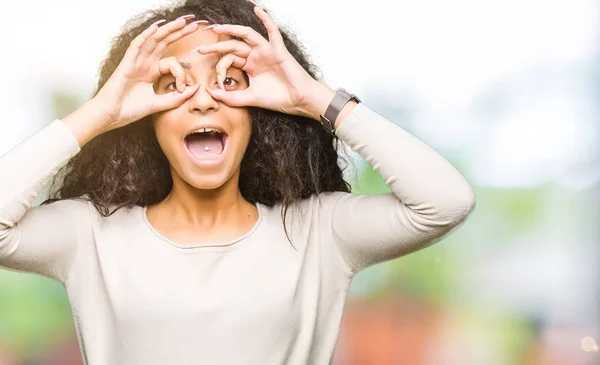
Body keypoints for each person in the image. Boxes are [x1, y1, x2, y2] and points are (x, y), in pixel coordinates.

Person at [0, 0, 476, 364]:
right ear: (146, 118)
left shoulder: (318, 231)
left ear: (259, 114)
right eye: (174, 85)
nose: (203, 100)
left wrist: (313, 98)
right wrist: (101, 113)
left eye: (230, 81)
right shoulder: (90, 234)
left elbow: (445, 202)